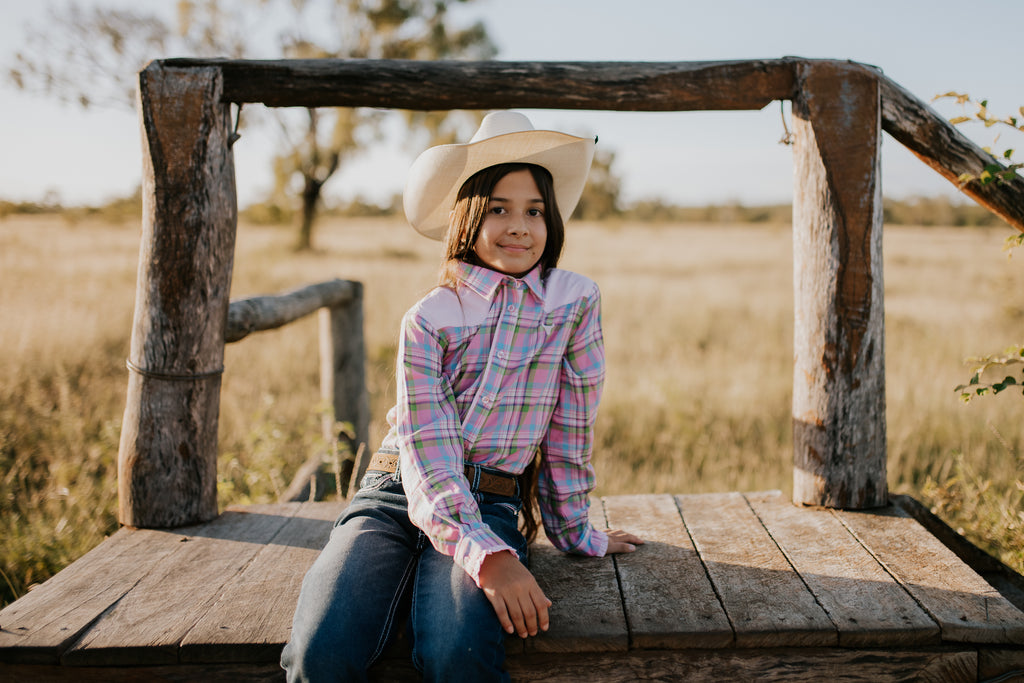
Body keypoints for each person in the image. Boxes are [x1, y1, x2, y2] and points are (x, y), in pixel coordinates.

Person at [281, 111, 643, 683]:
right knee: (320, 648)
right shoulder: (430, 316)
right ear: (468, 216)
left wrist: (576, 532)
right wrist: (489, 557)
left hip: (492, 500)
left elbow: (572, 426)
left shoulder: (572, 302)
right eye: (498, 208)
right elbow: (427, 448)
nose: (518, 226)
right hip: (395, 495)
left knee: (460, 652)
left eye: (534, 211)